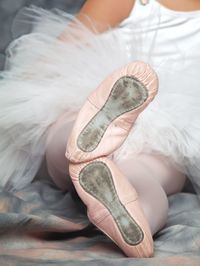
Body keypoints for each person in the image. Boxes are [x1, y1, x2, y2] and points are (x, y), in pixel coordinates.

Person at [0, 0, 200, 258]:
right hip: (171, 126)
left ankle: (85, 147)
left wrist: (23, 92)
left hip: (108, 101)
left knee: (66, 133)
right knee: (149, 174)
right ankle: (141, 217)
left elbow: (63, 49)